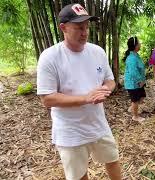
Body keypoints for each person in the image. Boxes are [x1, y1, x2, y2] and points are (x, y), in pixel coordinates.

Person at [36, 3, 122, 180]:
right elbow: (47, 98)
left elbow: (110, 80)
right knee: (79, 174)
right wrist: (86, 98)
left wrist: (104, 91)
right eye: (78, 27)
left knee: (112, 159)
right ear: (63, 28)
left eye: (87, 27)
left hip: (98, 123)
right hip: (70, 130)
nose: (85, 32)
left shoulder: (97, 52)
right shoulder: (50, 57)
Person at [123, 36, 146, 122]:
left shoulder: (136, 55)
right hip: (133, 83)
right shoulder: (131, 58)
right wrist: (140, 81)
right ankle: (135, 116)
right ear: (135, 46)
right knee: (135, 100)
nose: (140, 44)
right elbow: (133, 72)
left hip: (139, 82)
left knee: (142, 96)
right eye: (139, 43)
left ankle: (132, 108)